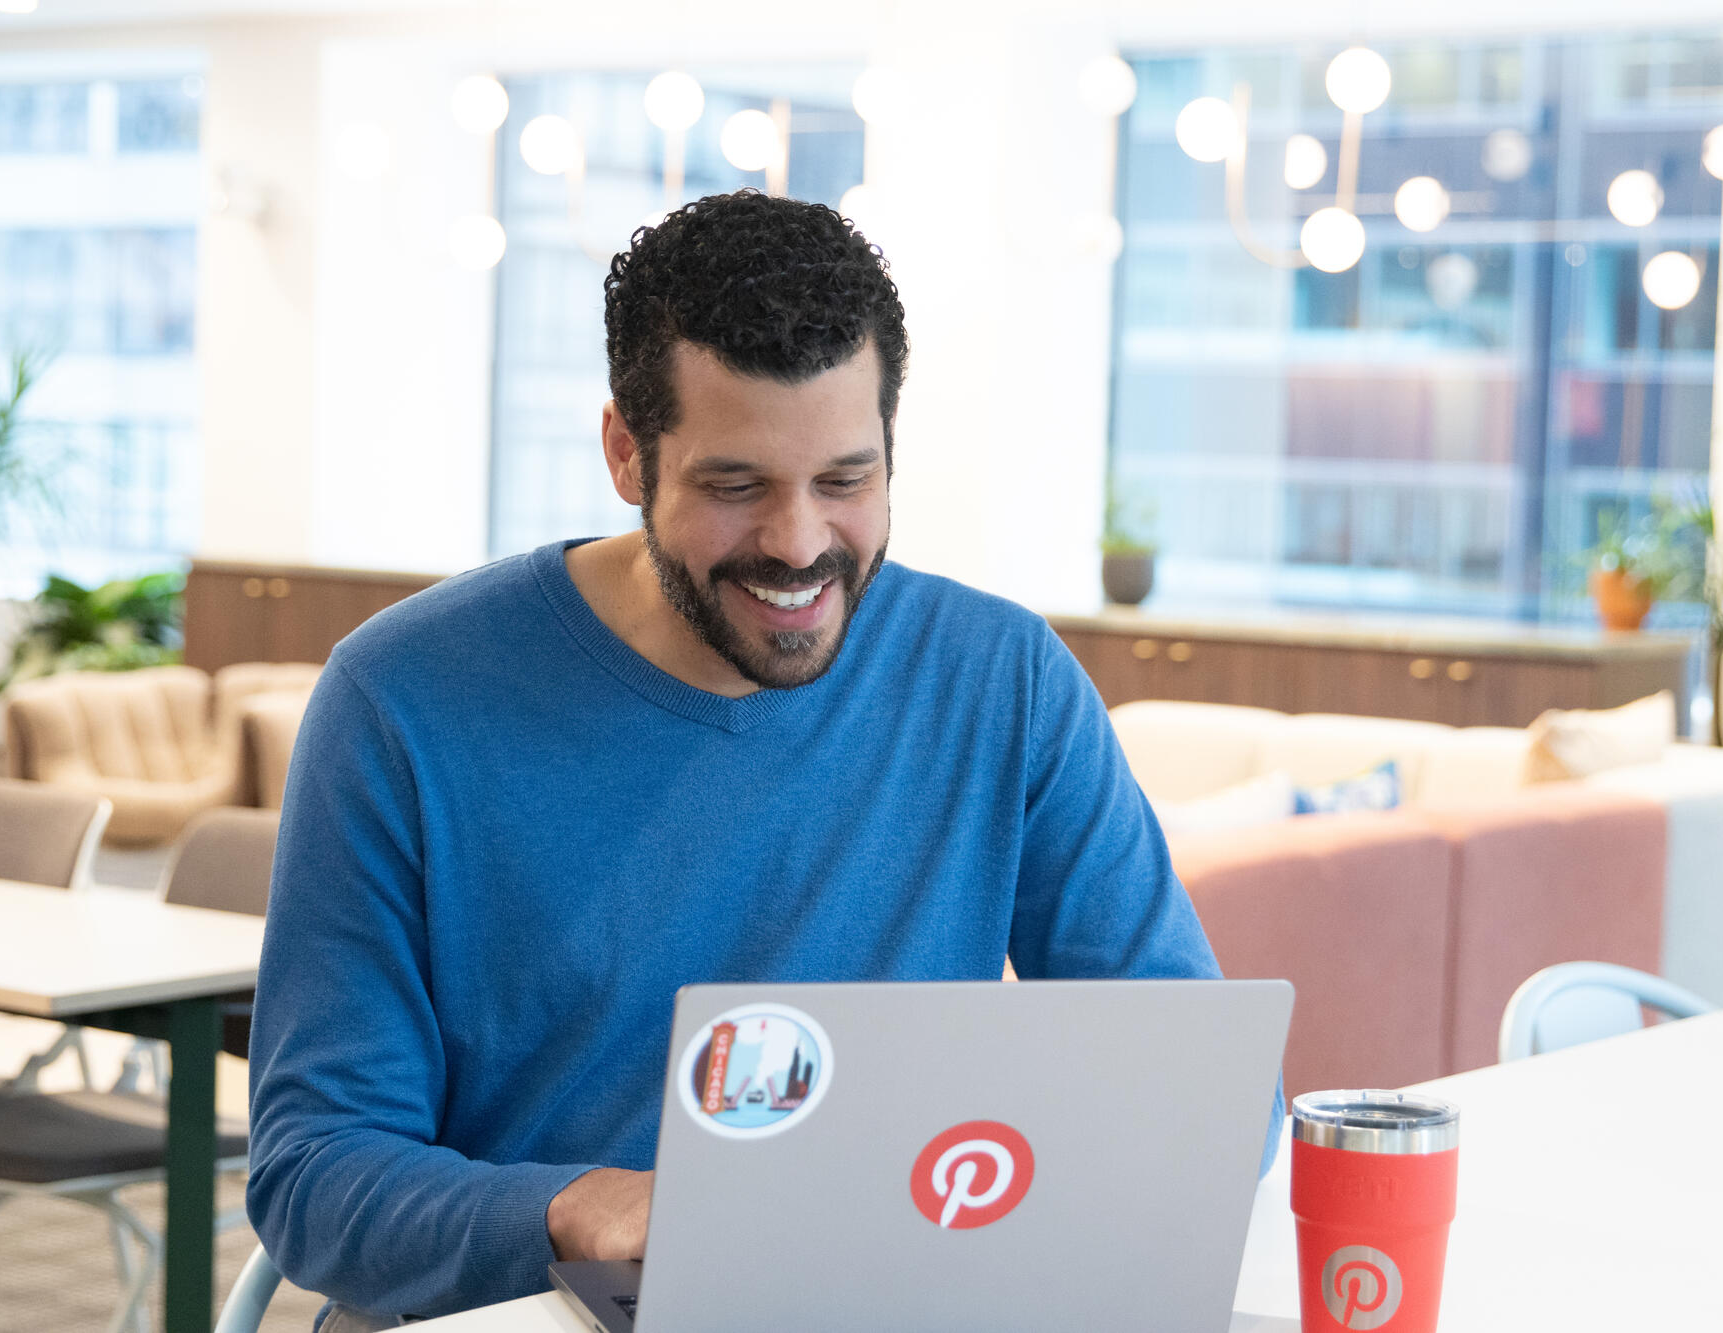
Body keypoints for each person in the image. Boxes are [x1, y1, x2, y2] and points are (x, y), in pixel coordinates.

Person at [246, 189, 1282, 1327]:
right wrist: (583, 1209)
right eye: (735, 487)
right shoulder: (403, 697)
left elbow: (1201, 1096)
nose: (797, 545)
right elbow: (315, 1177)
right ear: (626, 454)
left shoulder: (1002, 679)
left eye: (845, 481)